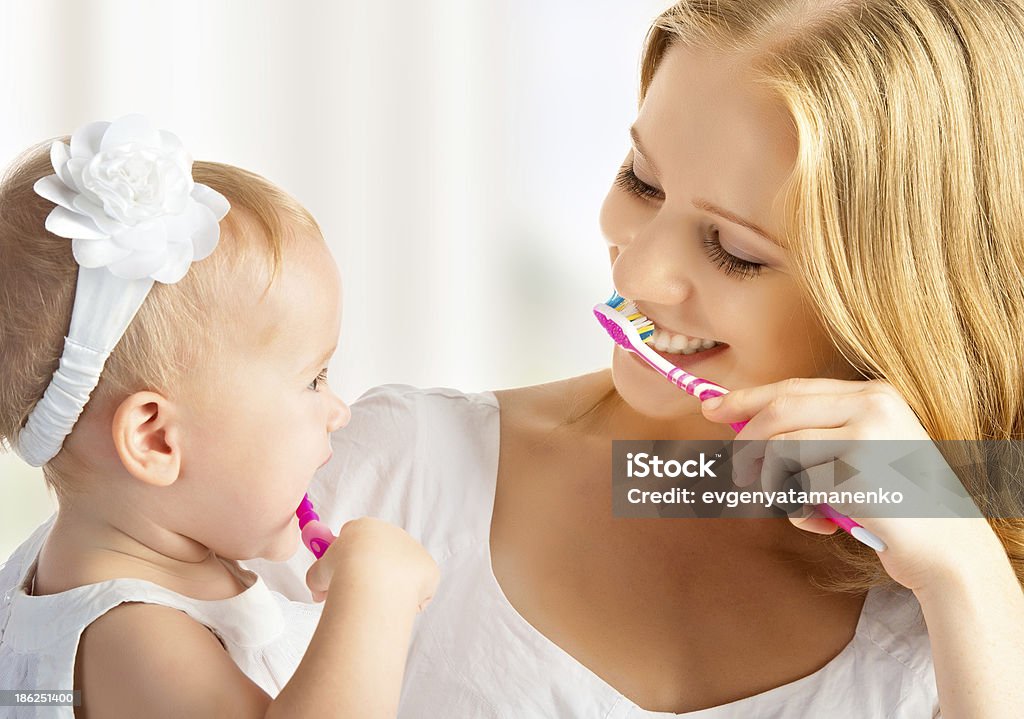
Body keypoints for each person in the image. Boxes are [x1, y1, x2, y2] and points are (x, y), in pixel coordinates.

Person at [249, 0, 1024, 716]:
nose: (633, 274)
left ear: (910, 297)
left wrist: (968, 578)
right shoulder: (387, 473)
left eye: (735, 250)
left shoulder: (971, 569)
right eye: (642, 181)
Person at [0, 115, 439, 718]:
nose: (338, 412)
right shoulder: (135, 639)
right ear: (156, 439)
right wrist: (375, 594)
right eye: (313, 379)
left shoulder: (69, 561)